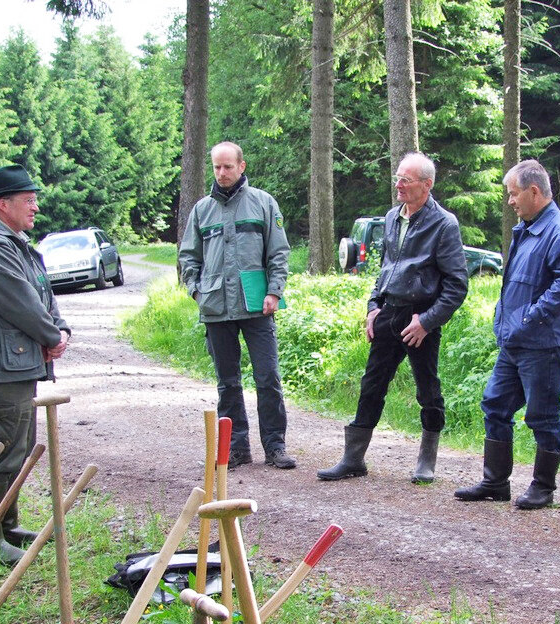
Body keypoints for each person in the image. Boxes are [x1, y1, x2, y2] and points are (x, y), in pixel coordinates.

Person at [318, 152, 468, 483]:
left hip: (421, 319)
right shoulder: (390, 217)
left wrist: (427, 322)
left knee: (427, 389)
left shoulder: (445, 224)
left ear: (426, 185)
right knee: (371, 385)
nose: (398, 185)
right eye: (396, 178)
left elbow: (457, 286)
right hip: (389, 312)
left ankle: (427, 460)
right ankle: (353, 459)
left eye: (405, 180)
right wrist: (373, 307)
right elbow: (384, 270)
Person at [0, 164, 71, 566]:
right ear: (3, 204)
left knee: (17, 450)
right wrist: (51, 336)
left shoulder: (12, 240)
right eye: (28, 199)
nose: (35, 206)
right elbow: (20, 302)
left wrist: (57, 328)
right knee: (2, 452)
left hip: (14, 363)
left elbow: (41, 290)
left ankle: (6, 527)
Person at [455, 160, 560, 507]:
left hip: (542, 343)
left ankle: (543, 487)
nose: (510, 201)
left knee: (543, 415)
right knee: (495, 404)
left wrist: (532, 317)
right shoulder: (525, 228)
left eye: (513, 193)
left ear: (534, 191)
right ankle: (495, 482)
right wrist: (504, 320)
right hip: (514, 340)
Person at [178, 142, 296, 469]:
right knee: (227, 382)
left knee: (268, 376)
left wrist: (274, 291)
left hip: (258, 306)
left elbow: (278, 253)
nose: (222, 173)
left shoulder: (263, 204)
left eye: (228, 166)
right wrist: (196, 291)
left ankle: (275, 447)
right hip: (215, 308)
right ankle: (237, 449)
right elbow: (188, 256)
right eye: (217, 167)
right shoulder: (202, 210)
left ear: (242, 166)